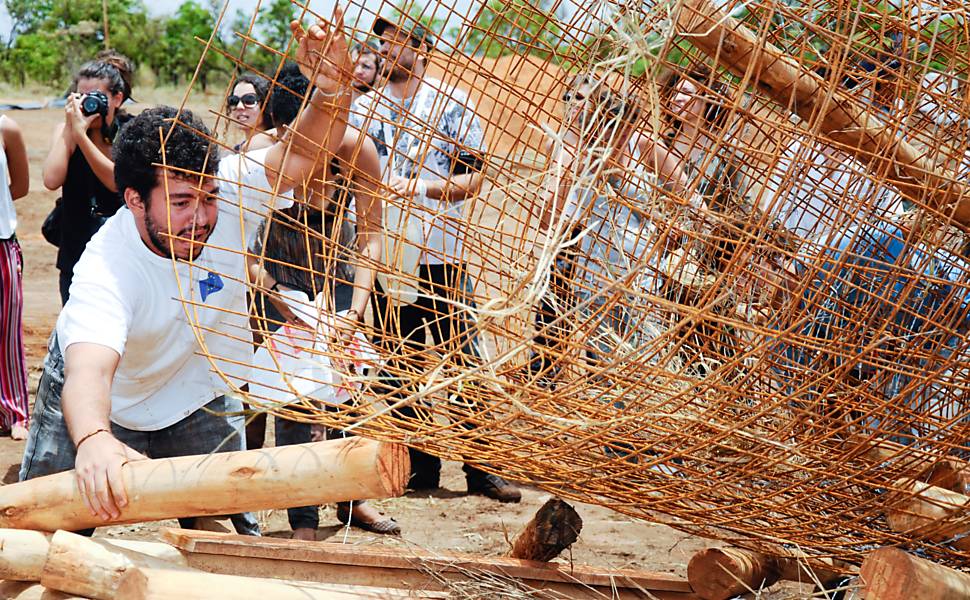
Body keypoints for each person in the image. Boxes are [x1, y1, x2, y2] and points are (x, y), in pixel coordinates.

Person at [19, 11, 352, 533]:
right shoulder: (106, 265)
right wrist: (94, 439)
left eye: (208, 197)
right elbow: (89, 369)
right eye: (178, 202)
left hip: (196, 393)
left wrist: (332, 91)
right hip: (107, 399)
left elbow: (304, 151)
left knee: (228, 544)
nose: (200, 217)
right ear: (132, 200)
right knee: (42, 532)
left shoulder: (234, 190)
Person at [349, 15, 521, 502]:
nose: (385, 51)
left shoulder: (453, 104)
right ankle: (422, 465)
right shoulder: (365, 110)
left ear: (421, 49)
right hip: (389, 256)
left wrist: (419, 187)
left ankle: (481, 468)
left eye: (397, 42)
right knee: (399, 363)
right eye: (382, 43)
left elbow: (473, 180)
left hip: (442, 254)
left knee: (463, 360)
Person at [245, 66, 400, 537]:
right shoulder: (259, 153)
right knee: (293, 402)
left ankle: (352, 500)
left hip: (339, 282)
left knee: (346, 396)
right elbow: (236, 244)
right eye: (291, 131)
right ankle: (302, 519)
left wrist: (353, 310)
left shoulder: (358, 150)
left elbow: (372, 233)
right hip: (277, 281)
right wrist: (271, 290)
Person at [43, 54, 134, 304]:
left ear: (117, 97)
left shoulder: (130, 132)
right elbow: (51, 180)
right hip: (76, 251)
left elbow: (118, 183)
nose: (89, 104)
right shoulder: (66, 131)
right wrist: (71, 130)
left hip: (122, 254)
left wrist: (85, 137)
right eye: (82, 97)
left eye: (97, 97)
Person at [0, 114, 29, 440]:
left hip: (1, 239)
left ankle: (14, 413)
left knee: (6, 327)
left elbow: (20, 186)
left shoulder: (6, 127)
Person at [228, 73, 271, 152]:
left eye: (249, 100)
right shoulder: (235, 151)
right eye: (234, 101)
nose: (239, 106)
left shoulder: (277, 148)